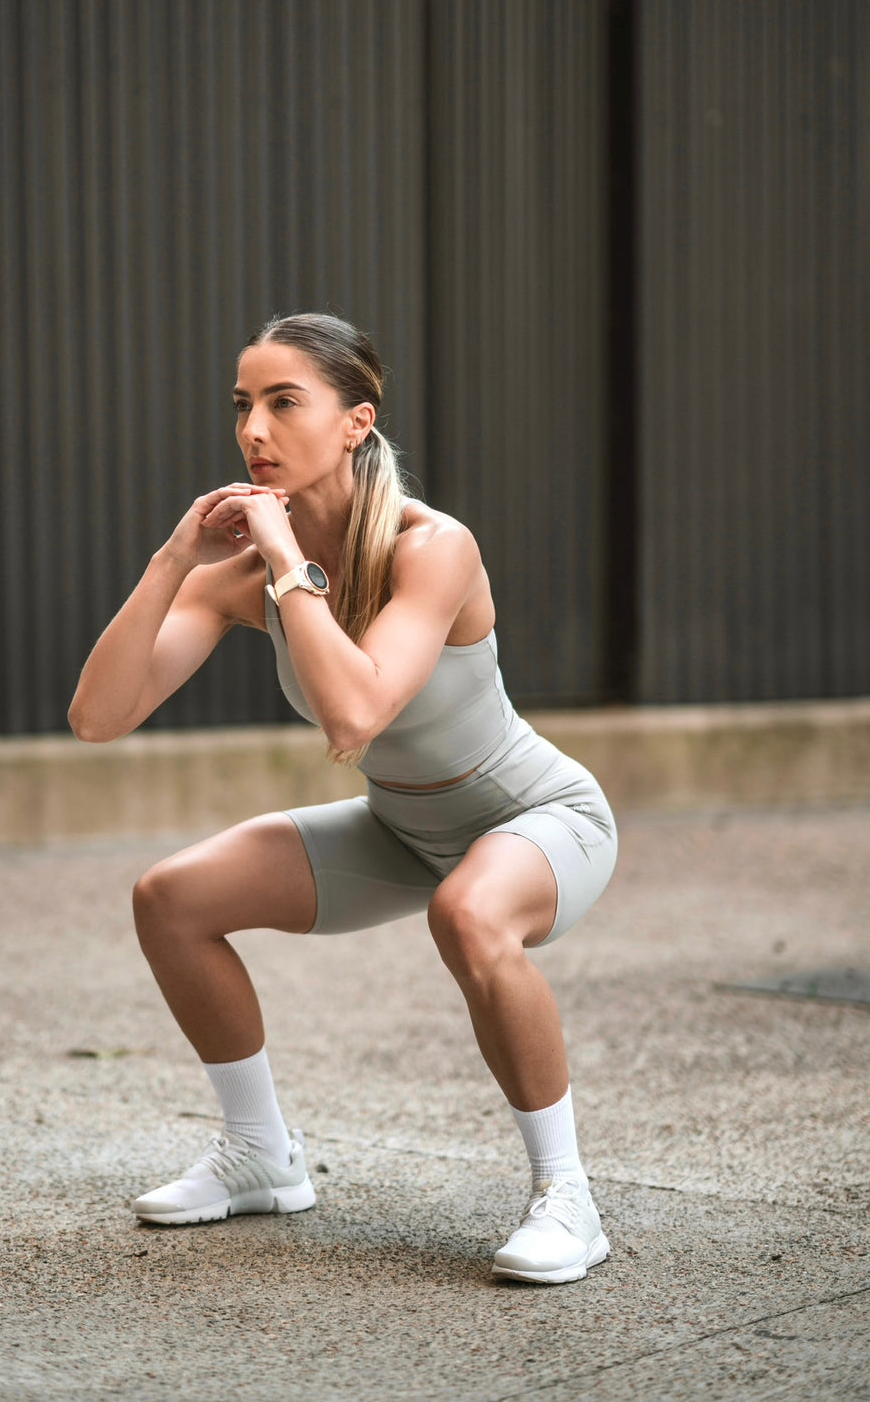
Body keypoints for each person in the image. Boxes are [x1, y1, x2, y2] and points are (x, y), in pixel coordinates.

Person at [68, 312, 618, 1285]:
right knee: (172, 897)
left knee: (469, 913)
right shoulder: (241, 573)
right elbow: (100, 716)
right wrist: (172, 563)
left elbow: (355, 714)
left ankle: (566, 1196)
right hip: (403, 827)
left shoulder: (430, 546)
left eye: (286, 402)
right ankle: (261, 1154)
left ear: (356, 422)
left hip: (537, 818)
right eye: (244, 404)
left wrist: (288, 566)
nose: (255, 430)